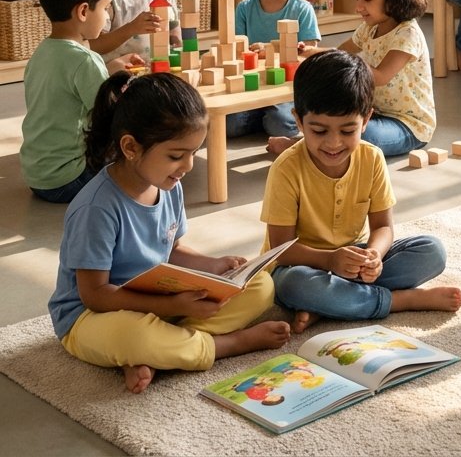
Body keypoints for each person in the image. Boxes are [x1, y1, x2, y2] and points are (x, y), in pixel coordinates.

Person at [47, 72, 290, 393]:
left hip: (157, 303)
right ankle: (224, 345)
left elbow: (171, 250)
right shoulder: (96, 208)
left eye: (193, 152)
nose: (188, 166)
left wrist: (216, 267)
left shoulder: (168, 184)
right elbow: (95, 295)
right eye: (177, 155)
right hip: (92, 317)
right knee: (134, 336)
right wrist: (174, 307)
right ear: (131, 147)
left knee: (260, 285)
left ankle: (161, 352)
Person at [262, 50, 461, 331]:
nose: (333, 143)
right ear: (298, 121)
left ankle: (334, 305)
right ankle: (397, 301)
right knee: (293, 286)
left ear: (366, 119)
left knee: (432, 251)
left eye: (347, 131)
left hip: (355, 259)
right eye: (319, 131)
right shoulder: (286, 168)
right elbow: (280, 251)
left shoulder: (372, 157)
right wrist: (329, 260)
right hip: (302, 265)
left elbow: (383, 227)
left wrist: (374, 255)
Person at [20, 0, 143, 203]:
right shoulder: (85, 60)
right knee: (135, 150)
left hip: (38, 176)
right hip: (69, 179)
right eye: (106, 8)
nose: (108, 17)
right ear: (84, 11)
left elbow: (67, 90)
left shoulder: (41, 53)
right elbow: (110, 116)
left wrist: (111, 69)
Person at [338, 0, 436, 157]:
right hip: (372, 113)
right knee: (330, 121)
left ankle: (304, 146)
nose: (358, 7)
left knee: (360, 136)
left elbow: (381, 76)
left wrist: (346, 62)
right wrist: (313, 53)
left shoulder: (407, 34)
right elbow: (341, 51)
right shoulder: (369, 27)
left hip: (408, 126)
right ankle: (301, 144)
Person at [233, 0, 320, 152]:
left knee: (280, 122)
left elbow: (309, 55)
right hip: (253, 85)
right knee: (229, 124)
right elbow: (235, 48)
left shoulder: (302, 9)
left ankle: (266, 117)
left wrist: (272, 49)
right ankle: (259, 115)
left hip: (285, 89)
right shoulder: (244, 8)